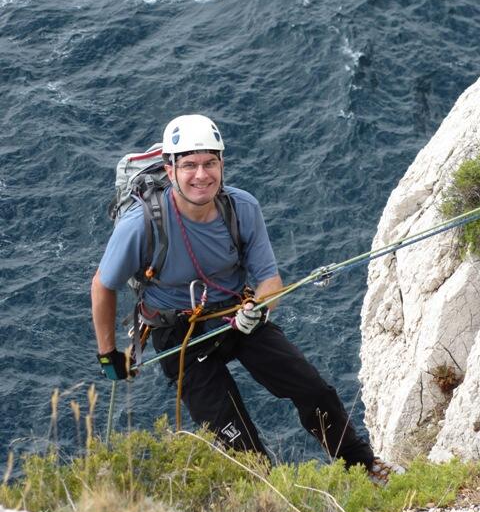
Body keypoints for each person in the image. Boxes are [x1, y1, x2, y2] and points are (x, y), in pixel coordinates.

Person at [91, 113, 400, 483]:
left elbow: (269, 280)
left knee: (314, 390)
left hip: (237, 313)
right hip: (178, 334)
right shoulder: (140, 225)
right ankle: (275, 502)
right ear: (170, 171)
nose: (201, 175)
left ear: (222, 165)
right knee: (237, 439)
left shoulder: (241, 208)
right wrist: (109, 354)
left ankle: (362, 467)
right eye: (189, 165)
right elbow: (103, 285)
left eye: (210, 163)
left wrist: (259, 308)